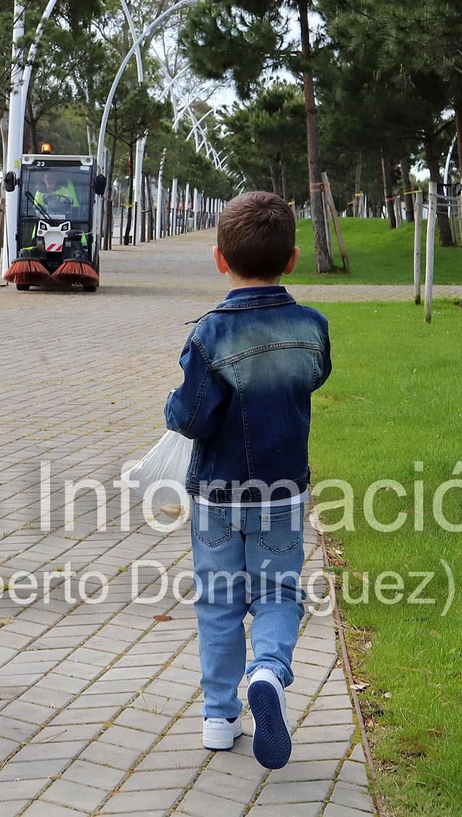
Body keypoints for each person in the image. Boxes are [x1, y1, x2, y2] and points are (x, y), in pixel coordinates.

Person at [163, 190, 331, 770]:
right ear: (292, 260)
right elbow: (315, 377)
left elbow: (191, 417)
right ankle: (269, 671)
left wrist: (170, 407)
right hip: (283, 490)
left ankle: (219, 716)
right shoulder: (312, 326)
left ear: (219, 259)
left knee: (218, 600)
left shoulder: (210, 334)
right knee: (279, 592)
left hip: (217, 493)